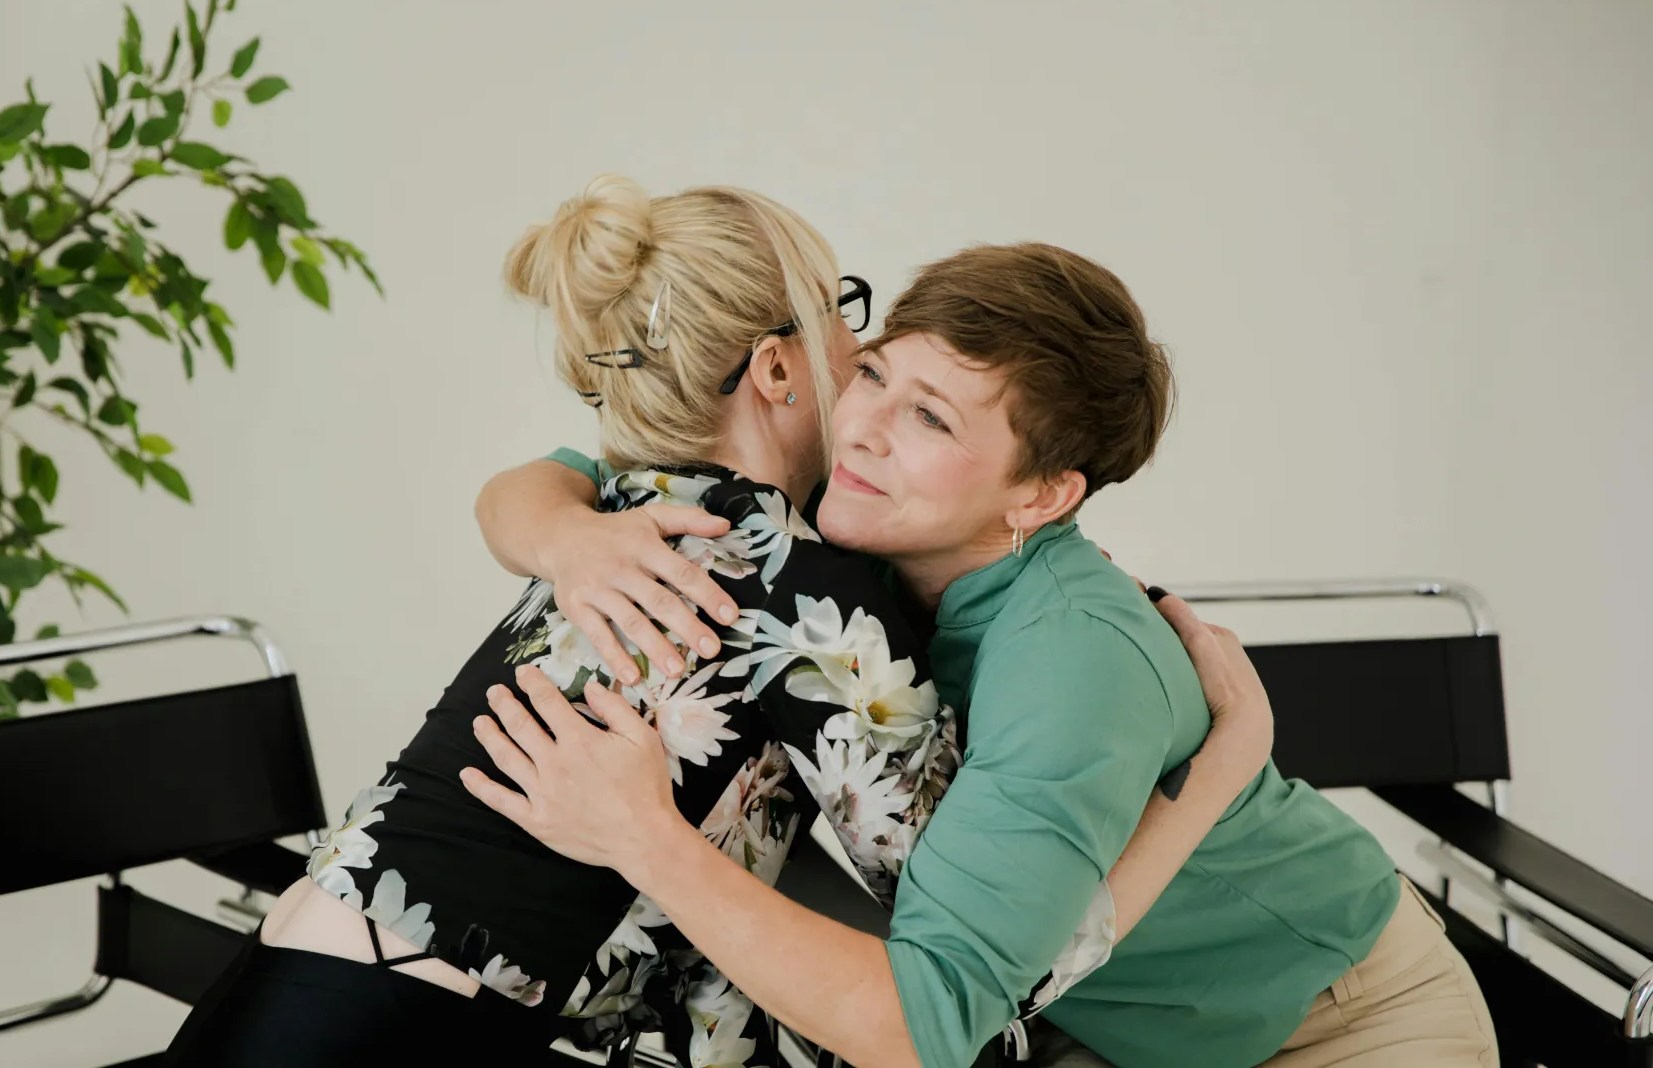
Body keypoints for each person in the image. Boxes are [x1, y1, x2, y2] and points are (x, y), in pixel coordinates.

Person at [157, 177, 1270, 1067]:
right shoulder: (805, 590)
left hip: (280, 988)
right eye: (846, 317)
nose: (862, 359)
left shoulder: (628, 514)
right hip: (402, 1038)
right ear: (779, 368)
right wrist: (1212, 784)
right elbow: (974, 979)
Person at [469, 242, 1500, 1067]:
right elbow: (558, 477)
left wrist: (643, 837)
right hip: (1087, 1018)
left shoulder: (1071, 661)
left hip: (1329, 1022)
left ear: (1041, 496)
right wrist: (570, 540)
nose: (865, 426)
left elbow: (923, 1028)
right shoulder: (860, 506)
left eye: (930, 415)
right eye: (873, 372)